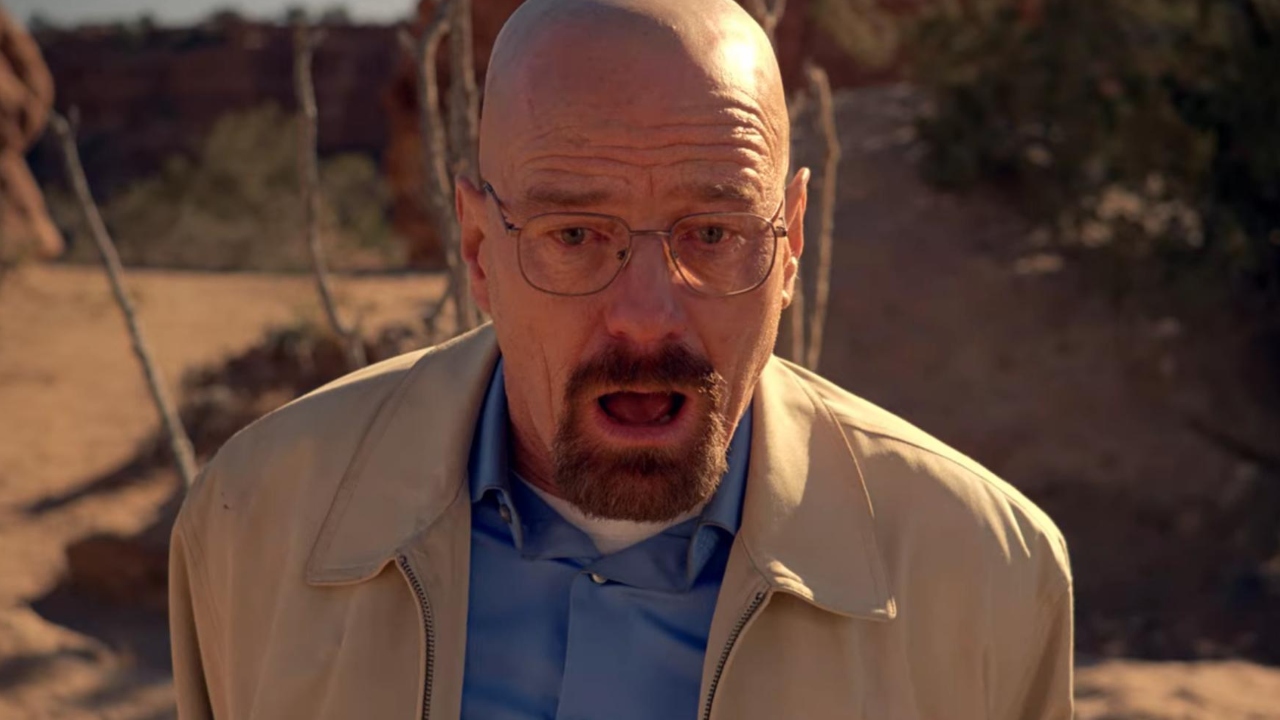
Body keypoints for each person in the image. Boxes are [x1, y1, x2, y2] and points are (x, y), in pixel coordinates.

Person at [169, 0, 1073, 717]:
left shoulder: (986, 576)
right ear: (479, 249)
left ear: (791, 243)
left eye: (713, 232)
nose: (645, 318)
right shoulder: (261, 522)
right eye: (574, 234)